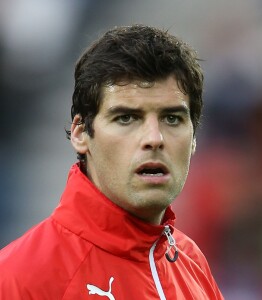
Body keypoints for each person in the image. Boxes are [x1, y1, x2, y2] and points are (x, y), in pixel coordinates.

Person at [0, 24, 224, 299]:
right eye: (126, 118)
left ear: (193, 139)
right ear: (81, 133)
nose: (154, 138)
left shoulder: (192, 263)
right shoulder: (19, 278)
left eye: (172, 118)